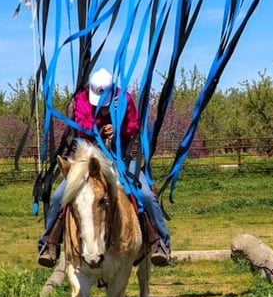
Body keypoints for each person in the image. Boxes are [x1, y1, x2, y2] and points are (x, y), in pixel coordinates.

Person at [37, 67, 172, 268]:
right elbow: (82, 126)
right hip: (89, 160)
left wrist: (119, 127)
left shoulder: (124, 98)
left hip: (121, 158)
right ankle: (49, 242)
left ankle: (160, 242)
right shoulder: (82, 100)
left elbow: (134, 125)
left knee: (145, 195)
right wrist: (99, 129)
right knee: (59, 196)